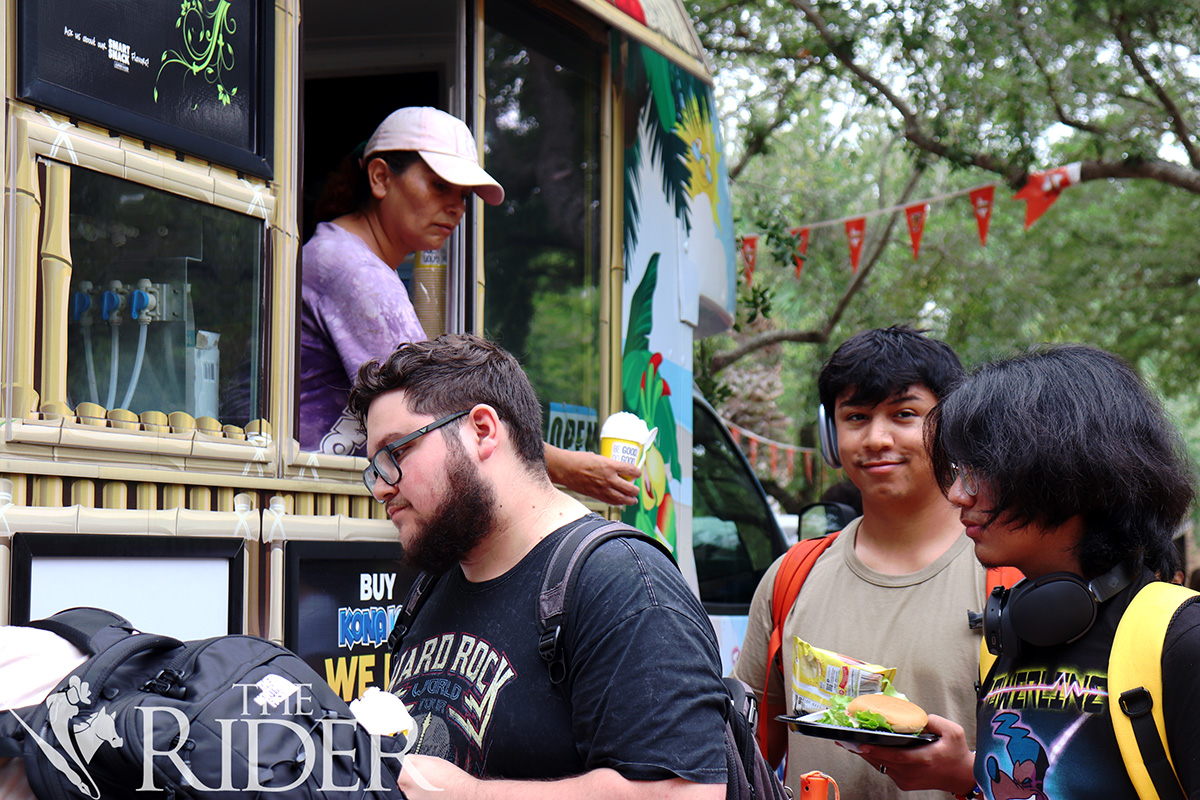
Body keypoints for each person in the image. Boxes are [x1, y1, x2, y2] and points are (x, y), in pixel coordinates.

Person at [348, 333, 727, 800]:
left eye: (396, 453)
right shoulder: (433, 582)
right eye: (374, 468)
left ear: (483, 431)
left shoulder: (623, 582)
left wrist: (469, 796)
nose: (382, 487)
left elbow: (681, 794)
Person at [876, 343, 1200, 798]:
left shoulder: (1182, 638)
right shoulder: (1008, 635)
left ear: (1069, 470)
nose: (957, 495)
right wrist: (966, 774)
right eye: (957, 469)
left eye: (983, 468)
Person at [299, 106, 639, 505]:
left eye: (463, 195)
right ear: (380, 177)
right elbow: (431, 410)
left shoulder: (342, 253)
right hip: (313, 493)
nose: (457, 207)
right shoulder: (355, 270)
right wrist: (562, 466)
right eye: (440, 185)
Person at [731, 325, 985, 800]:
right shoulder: (792, 577)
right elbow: (745, 754)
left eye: (904, 414)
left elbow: (1057, 770)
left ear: (950, 427)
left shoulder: (1005, 576)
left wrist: (966, 773)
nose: (876, 438)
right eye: (857, 417)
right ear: (831, 435)